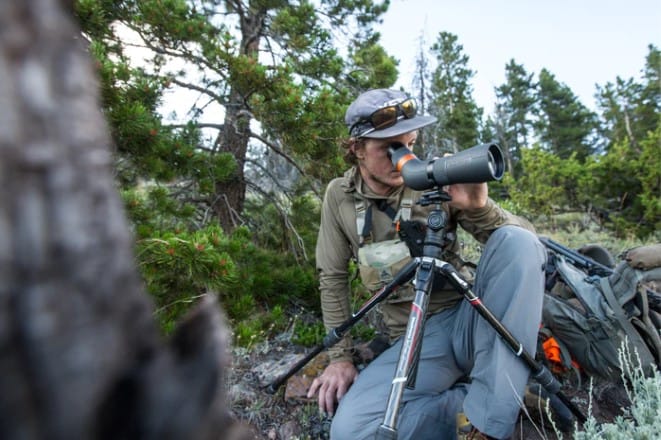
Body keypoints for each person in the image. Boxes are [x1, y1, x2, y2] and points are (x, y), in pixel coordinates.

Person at [306, 88, 546, 440]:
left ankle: (489, 426)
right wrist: (339, 357)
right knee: (351, 431)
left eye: (409, 144)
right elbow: (333, 277)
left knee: (517, 239)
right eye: (389, 148)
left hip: (472, 319)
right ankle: (482, 402)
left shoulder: (436, 178)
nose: (403, 158)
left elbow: (526, 247)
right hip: (416, 339)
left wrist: (479, 208)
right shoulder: (339, 196)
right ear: (357, 148)